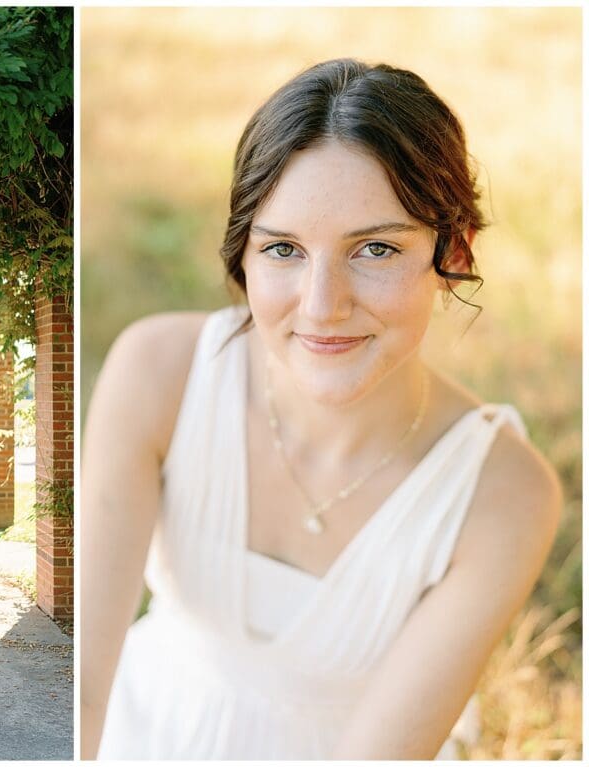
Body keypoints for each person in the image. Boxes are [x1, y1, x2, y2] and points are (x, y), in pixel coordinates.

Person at [81, 59, 561, 760]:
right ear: (245, 253)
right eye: (283, 248)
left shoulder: (505, 495)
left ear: (451, 248)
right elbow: (84, 688)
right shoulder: (157, 372)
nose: (320, 305)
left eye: (375, 248)